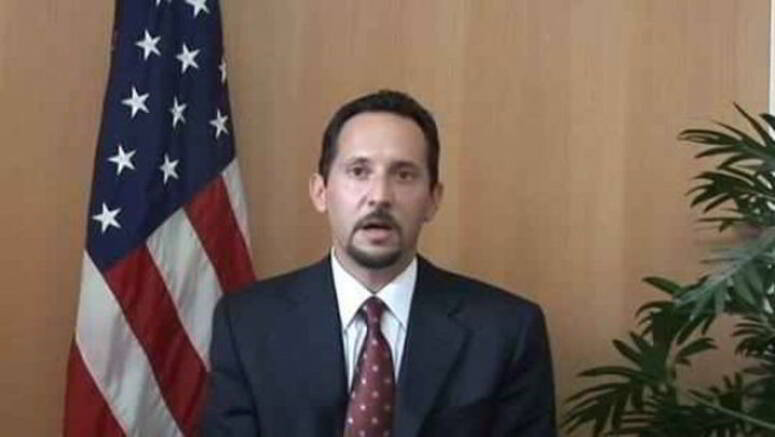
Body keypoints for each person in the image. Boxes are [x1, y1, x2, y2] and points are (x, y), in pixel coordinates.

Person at [201, 90, 556, 436]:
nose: (380, 196)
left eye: (404, 175)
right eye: (359, 171)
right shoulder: (247, 324)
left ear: (433, 199)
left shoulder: (506, 332)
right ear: (320, 192)